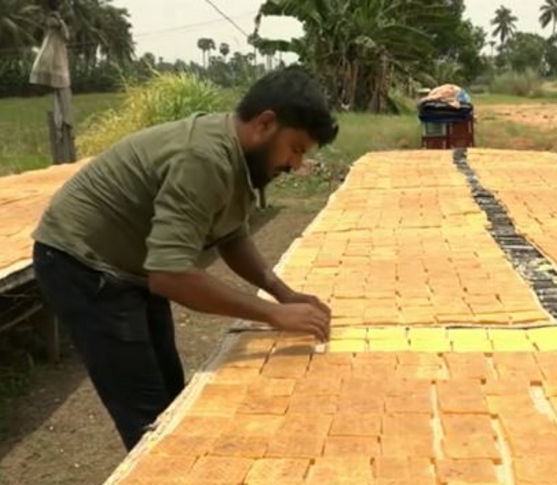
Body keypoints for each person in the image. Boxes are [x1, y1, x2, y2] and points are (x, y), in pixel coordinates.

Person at [31, 67, 338, 450]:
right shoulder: (204, 158)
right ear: (265, 123)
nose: (294, 165)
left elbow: (231, 234)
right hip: (82, 262)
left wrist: (282, 293)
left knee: (169, 393)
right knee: (148, 415)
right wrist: (273, 315)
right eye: (295, 148)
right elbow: (170, 275)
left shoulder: (237, 158)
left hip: (131, 264)